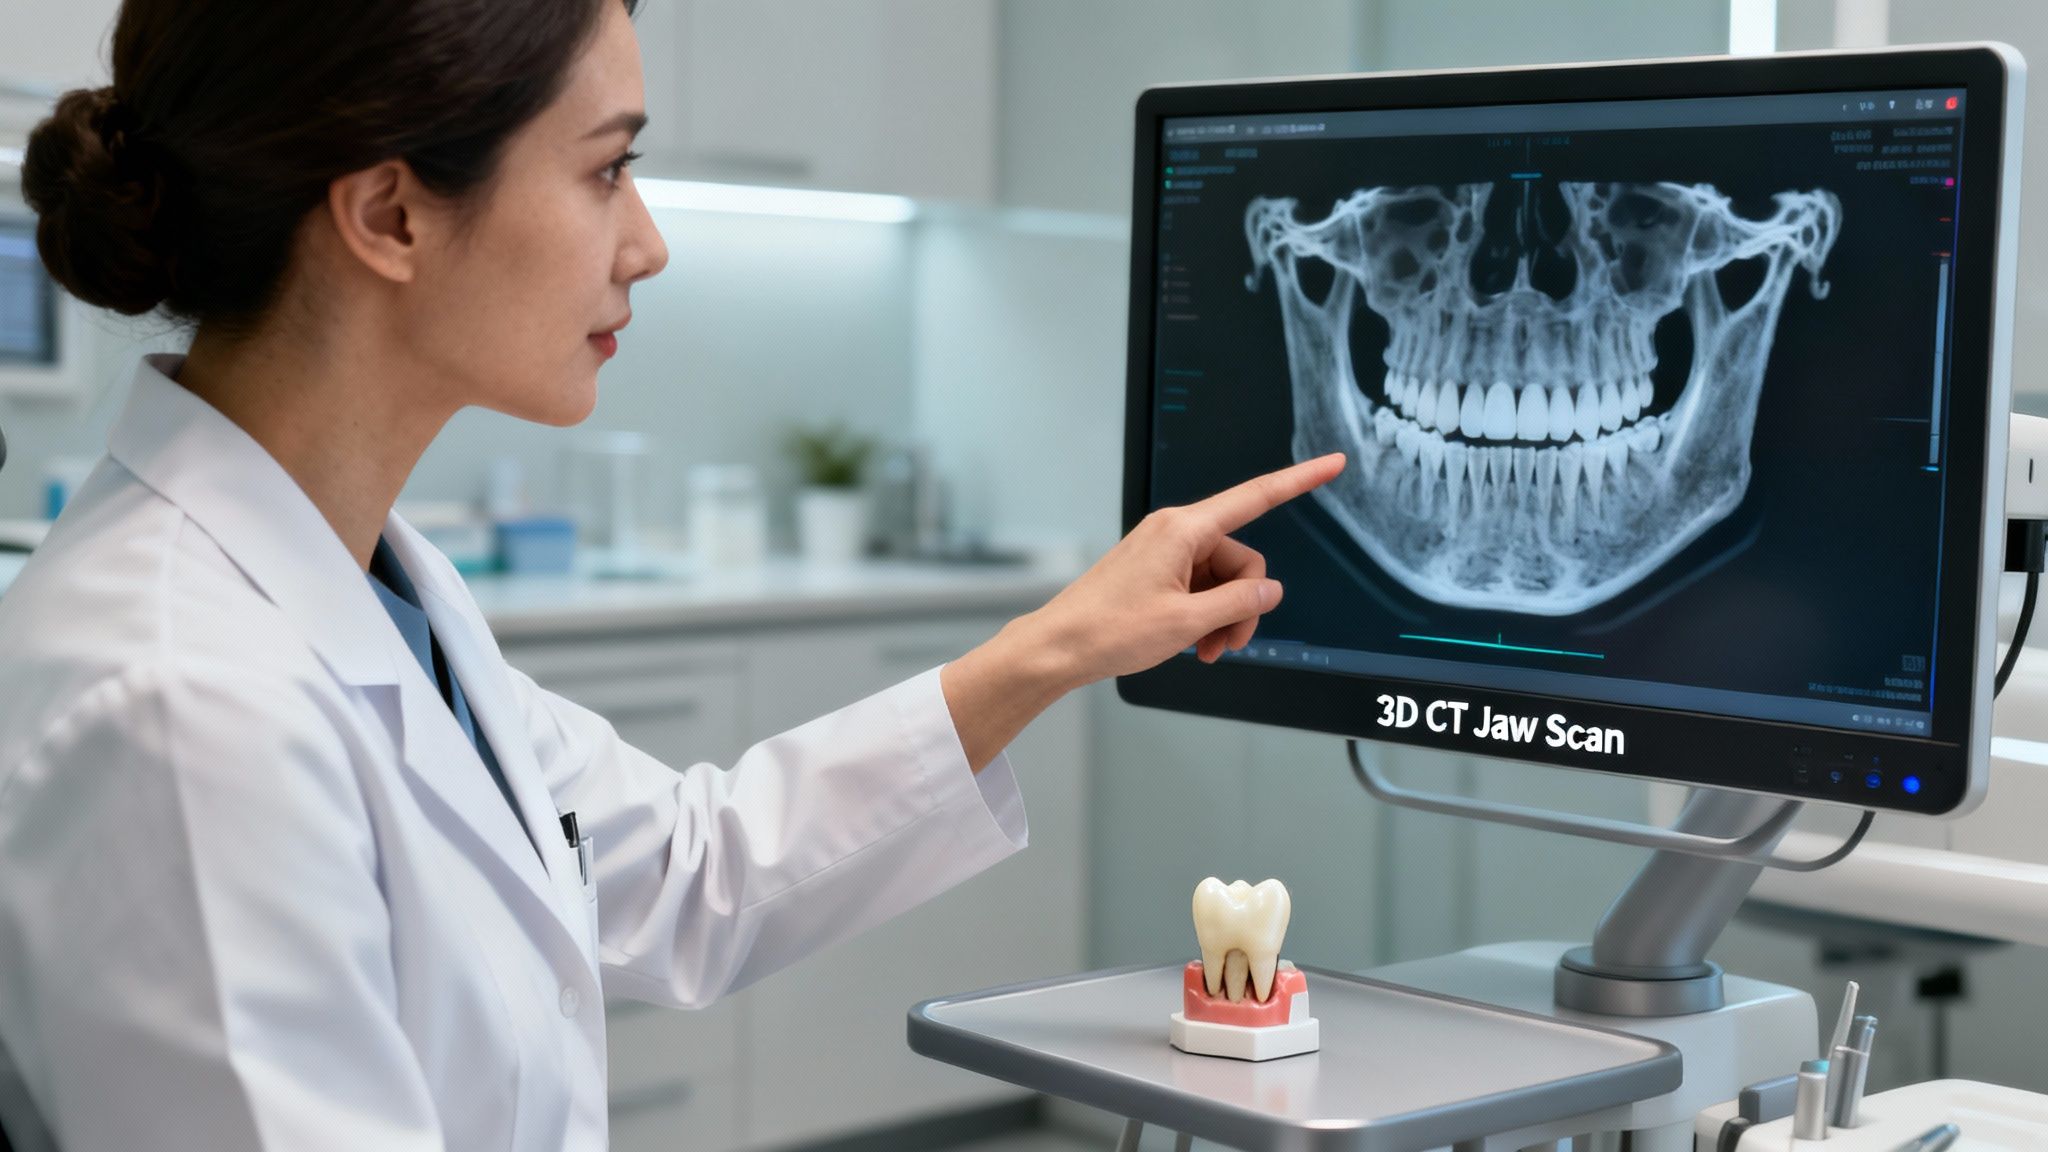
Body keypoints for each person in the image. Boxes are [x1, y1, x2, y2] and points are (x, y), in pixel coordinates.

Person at [0, 0, 1345, 1148]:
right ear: (391, 215)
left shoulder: (371, 587)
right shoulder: (183, 709)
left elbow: (689, 870)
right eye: (607, 169)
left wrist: (1057, 645)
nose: (647, 243)